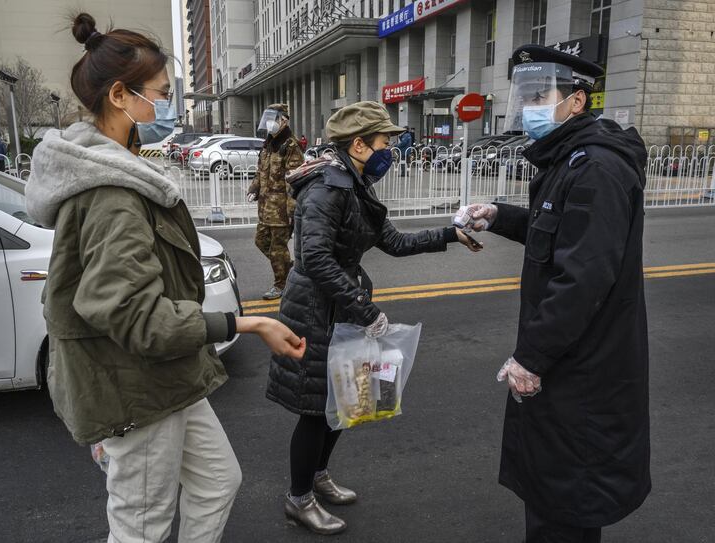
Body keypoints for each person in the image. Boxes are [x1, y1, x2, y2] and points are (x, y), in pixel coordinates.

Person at [25, 14, 306, 543]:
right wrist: (246, 325)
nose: (165, 106)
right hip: (134, 385)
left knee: (218, 481)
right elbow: (134, 315)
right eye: (158, 94)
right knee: (140, 528)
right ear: (120, 96)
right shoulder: (113, 195)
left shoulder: (114, 172)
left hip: (161, 376)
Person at [266, 101, 481, 535]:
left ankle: (319, 476)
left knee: (346, 400)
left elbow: (395, 242)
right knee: (314, 410)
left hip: (343, 306)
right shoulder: (327, 187)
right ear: (359, 145)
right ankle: (299, 498)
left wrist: (449, 235)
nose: (391, 151)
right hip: (315, 311)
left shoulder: (355, 182)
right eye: (386, 142)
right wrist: (367, 312)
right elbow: (315, 259)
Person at [464, 44, 651, 542]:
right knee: (551, 493)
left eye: (540, 94)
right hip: (568, 362)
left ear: (577, 102)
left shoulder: (595, 168)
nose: (529, 106)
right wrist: (499, 215)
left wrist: (532, 356)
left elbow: (583, 277)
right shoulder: (568, 160)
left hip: (582, 369)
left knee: (567, 504)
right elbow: (560, 231)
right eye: (524, 95)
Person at [247, 104, 305, 300]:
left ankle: (281, 285)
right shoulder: (268, 144)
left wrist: (292, 212)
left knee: (277, 249)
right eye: (268, 119)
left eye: (274, 119)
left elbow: (294, 180)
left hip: (281, 210)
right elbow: (260, 172)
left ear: (284, 121)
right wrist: (254, 188)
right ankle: (289, 270)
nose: (269, 124)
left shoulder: (290, 146)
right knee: (261, 241)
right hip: (265, 207)